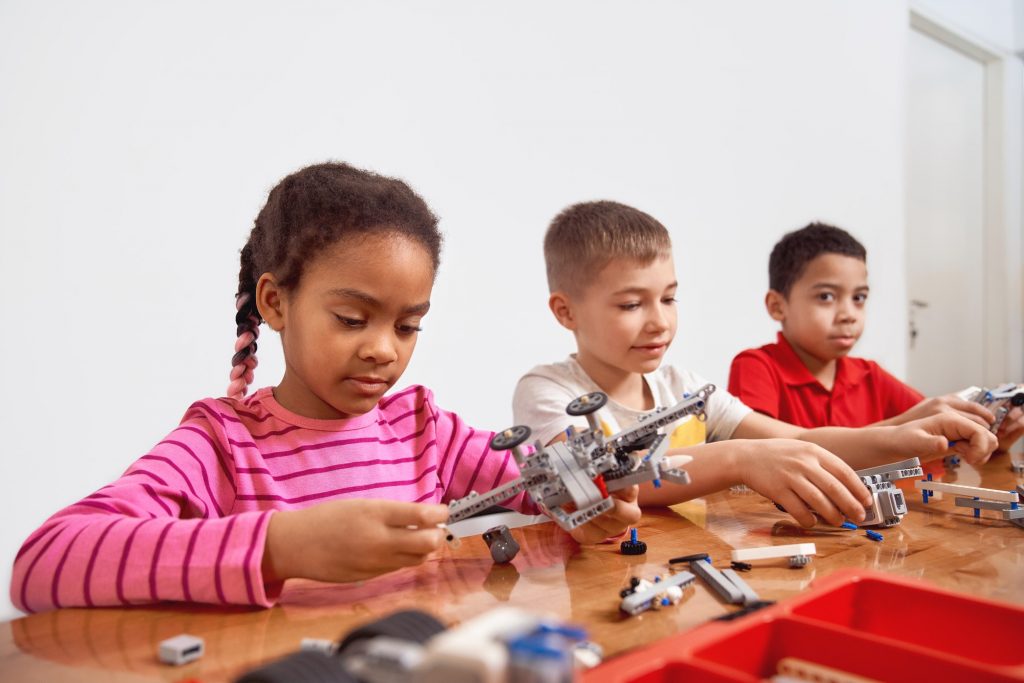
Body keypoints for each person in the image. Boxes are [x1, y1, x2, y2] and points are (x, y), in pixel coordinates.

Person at [11, 162, 636, 614]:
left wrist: (591, 509)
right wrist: (281, 548)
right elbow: (44, 563)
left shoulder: (425, 431)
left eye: (409, 324)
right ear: (275, 301)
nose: (383, 348)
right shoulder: (223, 444)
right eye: (351, 319)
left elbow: (547, 490)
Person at [513, 201, 998, 527]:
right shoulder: (547, 390)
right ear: (566, 311)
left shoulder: (684, 387)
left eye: (669, 297)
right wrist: (739, 457)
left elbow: (799, 440)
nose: (660, 322)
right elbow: (597, 479)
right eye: (631, 305)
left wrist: (901, 433)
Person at [727, 222, 1024, 451]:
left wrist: (993, 437)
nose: (848, 314)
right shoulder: (755, 366)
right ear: (777, 306)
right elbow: (762, 454)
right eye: (827, 296)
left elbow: (937, 436)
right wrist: (903, 428)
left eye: (859, 297)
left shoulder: (870, 375)